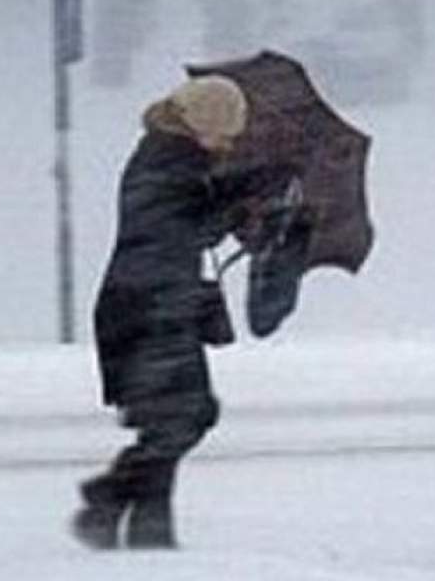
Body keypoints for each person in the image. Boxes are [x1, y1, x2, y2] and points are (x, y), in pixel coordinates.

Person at [71, 75, 292, 550]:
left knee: (170, 420)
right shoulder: (162, 162)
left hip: (156, 304)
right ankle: (109, 496)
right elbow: (185, 228)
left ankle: (145, 534)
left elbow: (199, 208)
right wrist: (236, 203)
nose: (231, 141)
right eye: (227, 131)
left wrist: (251, 190)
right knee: (185, 417)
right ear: (204, 122)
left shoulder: (174, 159)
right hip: (144, 307)